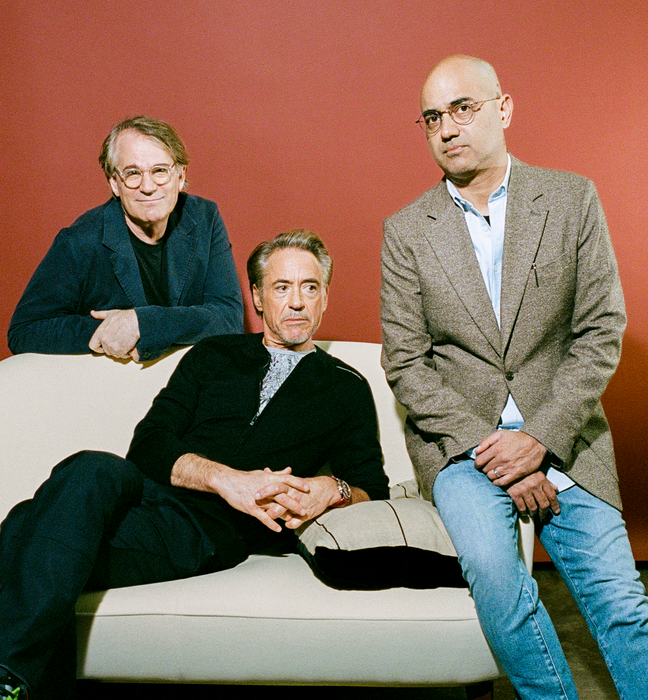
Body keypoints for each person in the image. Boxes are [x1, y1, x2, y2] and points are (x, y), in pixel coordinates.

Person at [0, 229, 389, 700]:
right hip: (139, 488)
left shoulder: (347, 387)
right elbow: (148, 443)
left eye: (310, 287)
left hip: (201, 530)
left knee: (23, 527)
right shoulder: (214, 353)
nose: (297, 302)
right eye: (282, 287)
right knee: (89, 466)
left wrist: (334, 489)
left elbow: (371, 485)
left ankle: (11, 680)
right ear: (258, 298)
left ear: (326, 297)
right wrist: (226, 479)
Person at [380, 54, 648, 699]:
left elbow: (599, 329)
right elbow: (405, 362)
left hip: (568, 439)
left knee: (621, 604)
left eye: (463, 108)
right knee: (501, 587)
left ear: (504, 109)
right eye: (432, 118)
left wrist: (540, 441)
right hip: (462, 448)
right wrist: (494, 452)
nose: (446, 128)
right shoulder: (406, 230)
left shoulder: (571, 198)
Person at [8, 116, 243, 362]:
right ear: (115, 183)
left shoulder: (205, 218)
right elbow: (24, 330)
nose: (148, 186)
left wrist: (142, 323)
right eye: (132, 173)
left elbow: (229, 319)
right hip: (111, 384)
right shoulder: (80, 241)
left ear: (181, 176)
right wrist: (110, 330)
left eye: (160, 171)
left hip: (187, 379)